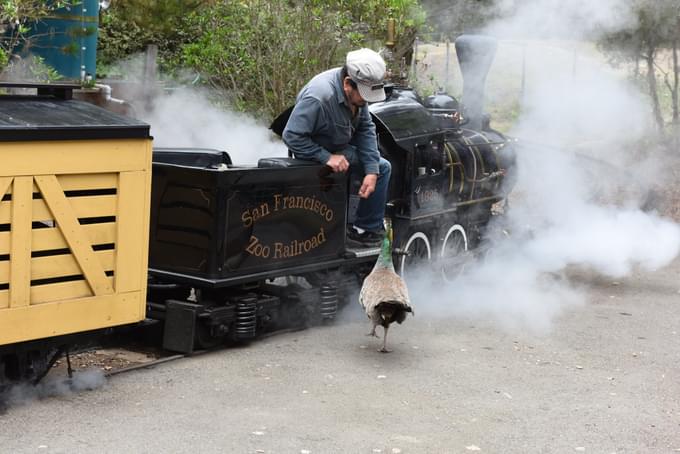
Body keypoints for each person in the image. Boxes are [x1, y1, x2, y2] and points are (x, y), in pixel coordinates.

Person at [282, 48, 392, 248]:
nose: (365, 102)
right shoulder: (318, 98)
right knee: (384, 167)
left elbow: (365, 129)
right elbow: (292, 135)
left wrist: (371, 171)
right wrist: (326, 157)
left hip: (339, 147)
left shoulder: (358, 91)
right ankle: (362, 229)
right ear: (348, 84)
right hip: (311, 154)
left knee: (379, 167)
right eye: (364, 96)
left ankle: (365, 228)